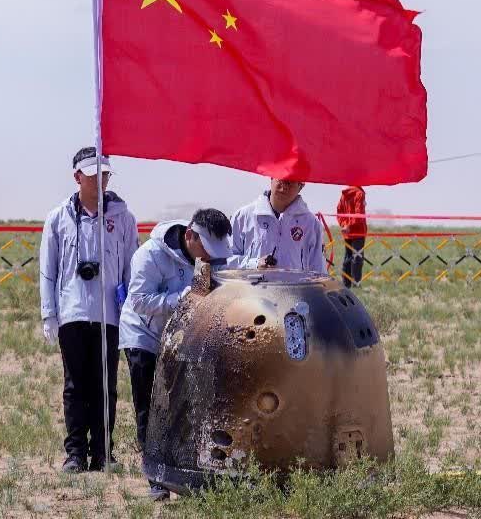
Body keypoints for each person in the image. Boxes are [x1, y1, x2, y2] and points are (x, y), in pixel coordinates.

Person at [119, 208, 233, 501]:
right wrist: (181, 298)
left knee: (183, 405)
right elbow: (140, 300)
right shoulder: (150, 255)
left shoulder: (207, 256)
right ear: (190, 236)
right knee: (150, 406)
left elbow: (231, 267)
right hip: (143, 335)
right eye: (207, 250)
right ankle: (155, 477)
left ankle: (183, 472)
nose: (210, 258)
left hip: (181, 338)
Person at [39, 147, 138, 473]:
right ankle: (76, 453)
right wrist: (49, 313)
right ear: (78, 176)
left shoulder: (123, 218)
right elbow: (48, 270)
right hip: (72, 313)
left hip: (109, 315)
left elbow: (130, 269)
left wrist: (131, 314)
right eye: (95, 174)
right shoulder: (58, 218)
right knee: (75, 386)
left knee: (106, 386)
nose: (102, 180)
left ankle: (104, 453)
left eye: (106, 174)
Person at [229, 177, 326, 273]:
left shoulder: (311, 224)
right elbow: (224, 263)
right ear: (271, 177)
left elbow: (319, 272)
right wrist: (254, 264)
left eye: (290, 182)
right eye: (281, 179)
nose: (284, 187)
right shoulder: (243, 217)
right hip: (251, 288)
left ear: (301, 186)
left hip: (295, 288)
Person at [336, 185, 367, 287]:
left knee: (348, 257)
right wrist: (349, 225)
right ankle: (356, 283)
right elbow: (359, 214)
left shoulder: (344, 194)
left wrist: (344, 225)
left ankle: (346, 283)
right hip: (358, 232)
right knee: (357, 258)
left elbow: (339, 211)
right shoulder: (359, 194)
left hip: (347, 232)